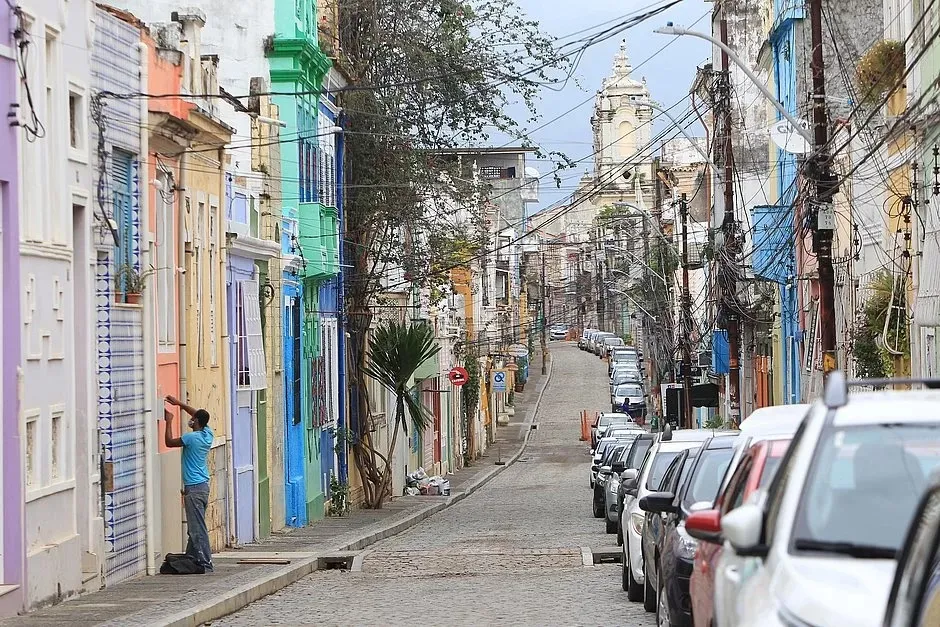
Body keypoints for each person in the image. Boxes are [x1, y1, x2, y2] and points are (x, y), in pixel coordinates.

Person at [164, 395, 214, 573]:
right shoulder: (208, 434)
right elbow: (198, 414)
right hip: (203, 486)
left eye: (193, 419)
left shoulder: (191, 438)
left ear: (197, 422)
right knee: (195, 526)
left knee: (196, 529)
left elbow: (169, 442)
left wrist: (169, 421)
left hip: (193, 488)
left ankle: (205, 562)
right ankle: (192, 559)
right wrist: (179, 404)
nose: (190, 420)